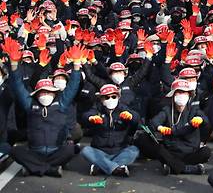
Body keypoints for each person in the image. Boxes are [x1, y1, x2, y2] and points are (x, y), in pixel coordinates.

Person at [6, 41, 83, 177]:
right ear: (36, 94)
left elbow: (73, 86)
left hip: (56, 151)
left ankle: (34, 168)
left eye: (49, 92)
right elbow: (18, 86)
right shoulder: (30, 105)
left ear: (54, 93)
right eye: (42, 92)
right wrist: (13, 64)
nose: (45, 94)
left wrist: (76, 65)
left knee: (71, 149)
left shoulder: (62, 103)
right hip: (35, 151)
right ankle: (50, 169)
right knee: (14, 151)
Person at [136, 79, 210, 175]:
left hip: (190, 151)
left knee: (206, 152)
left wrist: (200, 119)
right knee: (153, 145)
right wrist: (160, 127)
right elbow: (154, 122)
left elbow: (205, 120)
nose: (181, 95)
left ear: (189, 95)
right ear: (173, 95)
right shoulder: (167, 110)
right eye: (178, 92)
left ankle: (173, 166)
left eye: (184, 93)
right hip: (171, 151)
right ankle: (186, 168)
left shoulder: (194, 110)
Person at [80, 84, 140, 177]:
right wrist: (91, 118)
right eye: (107, 97)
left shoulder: (123, 108)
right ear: (101, 99)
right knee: (86, 150)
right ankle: (117, 168)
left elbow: (136, 118)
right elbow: (85, 115)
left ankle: (101, 166)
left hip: (119, 150)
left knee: (134, 150)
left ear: (118, 97)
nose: (110, 99)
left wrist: (131, 116)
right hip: (100, 151)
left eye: (113, 96)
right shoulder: (97, 108)